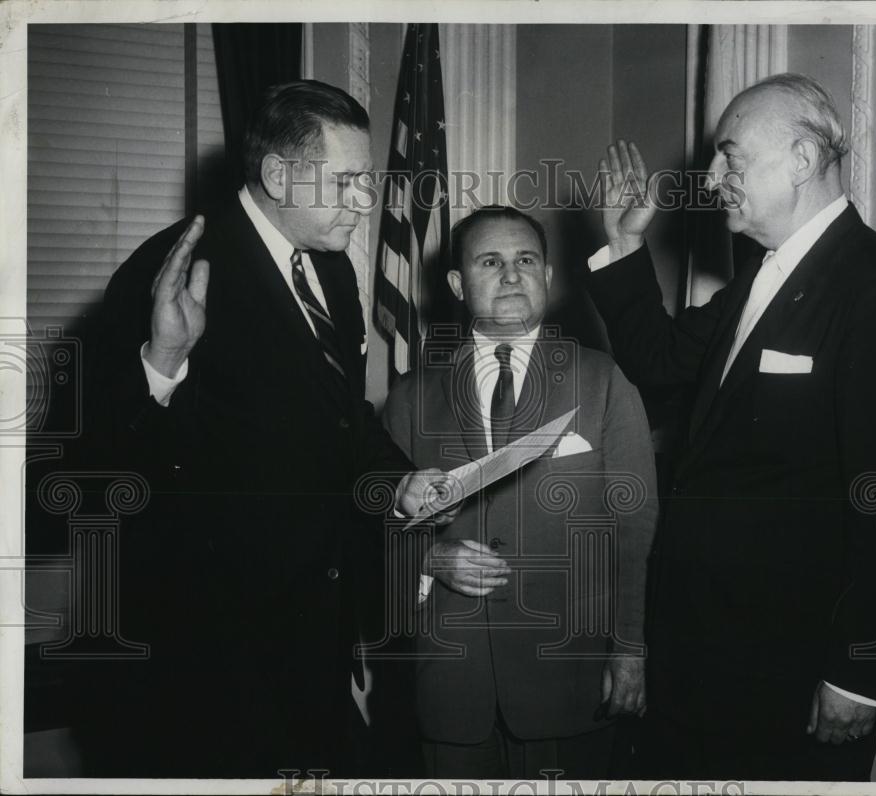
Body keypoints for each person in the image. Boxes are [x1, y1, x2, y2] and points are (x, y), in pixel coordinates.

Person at [81, 80, 453, 778]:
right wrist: (161, 361)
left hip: (313, 639)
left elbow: (342, 421)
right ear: (279, 176)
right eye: (345, 183)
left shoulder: (334, 272)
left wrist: (399, 481)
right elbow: (100, 475)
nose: (364, 202)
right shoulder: (174, 272)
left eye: (364, 180)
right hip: (208, 666)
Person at [587, 74, 876, 780]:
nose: (713, 177)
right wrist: (624, 244)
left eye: (731, 157)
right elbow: (665, 369)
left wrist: (863, 675)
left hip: (790, 679)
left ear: (802, 160)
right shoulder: (764, 273)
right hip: (704, 664)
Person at [381, 206, 658, 779]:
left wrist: (630, 650)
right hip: (455, 692)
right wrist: (429, 558)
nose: (511, 275)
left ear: (549, 277)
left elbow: (636, 529)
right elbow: (369, 533)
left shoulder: (602, 380)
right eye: (490, 261)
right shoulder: (411, 398)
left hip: (571, 684)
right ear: (458, 285)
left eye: (525, 260)